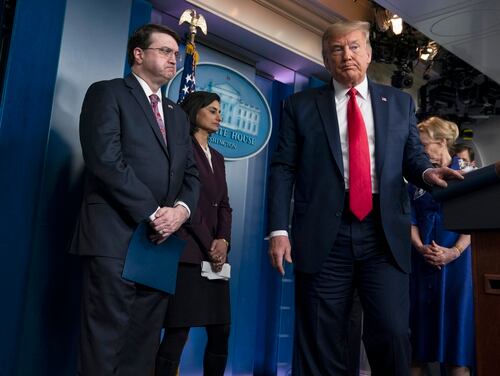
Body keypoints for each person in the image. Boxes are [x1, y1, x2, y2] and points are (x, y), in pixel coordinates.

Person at [267, 20, 463, 375]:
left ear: (369, 53)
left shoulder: (398, 103)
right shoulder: (300, 105)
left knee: (390, 331)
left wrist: (427, 173)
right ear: (326, 60)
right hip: (324, 233)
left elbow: (413, 159)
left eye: (354, 47)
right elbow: (283, 169)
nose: (347, 55)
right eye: (337, 49)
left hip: (383, 233)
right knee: (321, 336)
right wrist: (278, 230)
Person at [70, 24, 199, 376]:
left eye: (176, 53)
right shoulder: (108, 93)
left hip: (158, 244)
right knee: (106, 342)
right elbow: (106, 160)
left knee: (143, 344)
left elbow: (191, 175)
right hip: (115, 236)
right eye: (165, 51)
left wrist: (180, 212)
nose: (174, 58)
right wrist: (154, 211)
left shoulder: (176, 113)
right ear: (138, 55)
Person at [155, 91, 232, 376]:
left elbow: (224, 204)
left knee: (221, 329)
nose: (218, 116)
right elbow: (185, 201)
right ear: (195, 111)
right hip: (188, 253)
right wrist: (209, 242)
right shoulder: (181, 148)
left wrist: (223, 240)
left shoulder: (219, 158)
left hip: (215, 258)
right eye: (212, 110)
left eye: (219, 111)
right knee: (178, 331)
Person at [409, 117, 474, 376]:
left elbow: (476, 222)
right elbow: (409, 219)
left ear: (442, 142)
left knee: (456, 352)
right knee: (416, 348)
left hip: (458, 266)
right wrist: (419, 247)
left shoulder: (470, 174)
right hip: (422, 264)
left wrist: (453, 252)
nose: (421, 151)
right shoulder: (418, 178)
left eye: (424, 144)